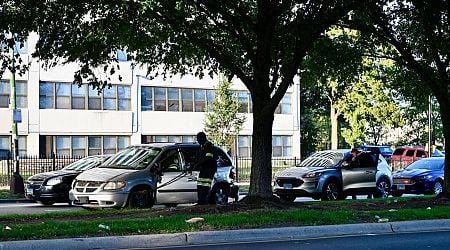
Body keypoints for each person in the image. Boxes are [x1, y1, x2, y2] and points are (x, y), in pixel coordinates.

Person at [193, 132, 217, 205]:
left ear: (203, 138)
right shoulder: (202, 147)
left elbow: (208, 158)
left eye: (198, 139)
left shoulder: (209, 146)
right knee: (200, 185)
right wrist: (193, 165)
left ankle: (204, 202)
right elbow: (199, 158)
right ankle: (200, 201)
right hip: (203, 169)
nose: (198, 140)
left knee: (205, 186)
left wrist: (198, 164)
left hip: (209, 169)